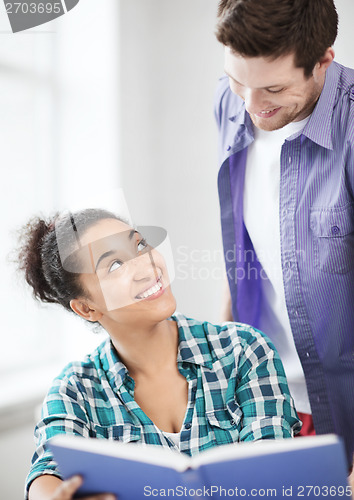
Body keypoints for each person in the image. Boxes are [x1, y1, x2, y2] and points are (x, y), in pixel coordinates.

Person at [18, 209, 300, 500]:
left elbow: (272, 474)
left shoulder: (244, 349)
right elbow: (47, 473)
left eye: (140, 245)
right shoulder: (74, 389)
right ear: (87, 308)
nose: (146, 266)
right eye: (114, 265)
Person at [214, 0, 354, 471]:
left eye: (273, 88)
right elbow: (251, 241)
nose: (251, 106)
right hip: (269, 403)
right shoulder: (229, 102)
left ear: (323, 61)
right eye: (238, 81)